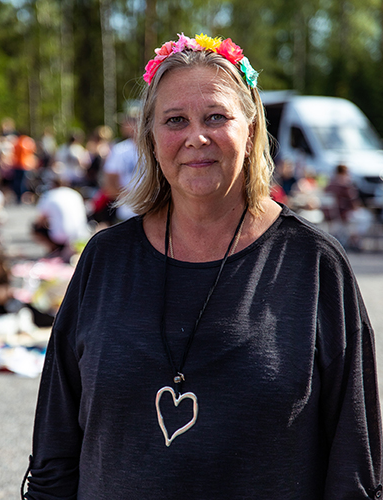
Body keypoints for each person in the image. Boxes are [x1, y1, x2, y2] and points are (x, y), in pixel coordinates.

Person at [23, 33, 382, 499]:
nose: (197, 137)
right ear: (150, 137)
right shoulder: (106, 260)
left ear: (250, 129)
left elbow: (355, 462)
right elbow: (55, 444)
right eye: (175, 120)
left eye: (216, 116)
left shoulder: (313, 265)